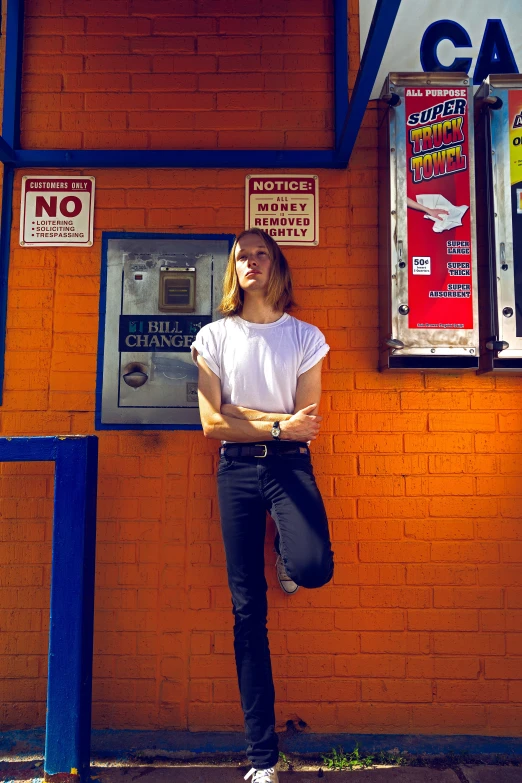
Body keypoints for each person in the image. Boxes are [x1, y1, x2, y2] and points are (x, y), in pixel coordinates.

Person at [191, 228, 335, 783]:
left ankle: (287, 552)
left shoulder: (305, 337)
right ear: (233, 271)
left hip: (289, 466)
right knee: (248, 615)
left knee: (313, 568)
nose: (250, 262)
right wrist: (273, 422)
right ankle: (263, 758)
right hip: (236, 472)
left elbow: (309, 423)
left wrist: (243, 412)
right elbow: (209, 422)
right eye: (241, 256)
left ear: (276, 266)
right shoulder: (214, 336)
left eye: (261, 254)